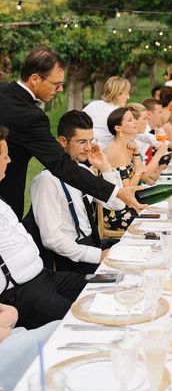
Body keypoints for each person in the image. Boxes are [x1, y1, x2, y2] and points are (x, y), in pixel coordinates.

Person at [0, 47, 141, 220]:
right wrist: (116, 192)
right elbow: (62, 165)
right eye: (56, 84)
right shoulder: (31, 116)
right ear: (35, 79)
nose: (60, 89)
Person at [0, 126, 86, 328]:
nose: (9, 160)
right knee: (79, 321)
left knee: (104, 284)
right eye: (5, 156)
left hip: (44, 276)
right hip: (21, 293)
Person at [30, 111, 125, 274]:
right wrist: (97, 255)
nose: (88, 148)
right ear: (63, 141)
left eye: (90, 141)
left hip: (94, 245)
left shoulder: (82, 171)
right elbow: (51, 239)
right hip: (70, 262)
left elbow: (117, 204)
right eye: (82, 142)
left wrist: (106, 168)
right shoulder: (46, 181)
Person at [0, 304, 58, 391]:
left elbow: (11, 313)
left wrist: (10, 313)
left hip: (10, 334)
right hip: (7, 345)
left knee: (58, 327)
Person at [83, 75, 131, 149]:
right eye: (126, 93)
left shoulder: (93, 104)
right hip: (103, 153)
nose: (128, 97)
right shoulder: (119, 113)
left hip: (84, 147)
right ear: (118, 94)